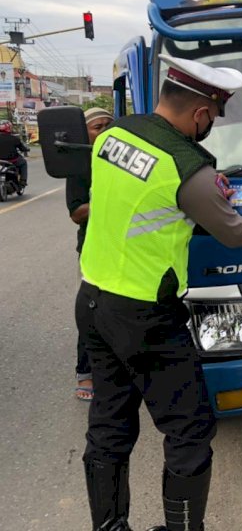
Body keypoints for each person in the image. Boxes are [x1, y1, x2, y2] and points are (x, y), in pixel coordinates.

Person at [76, 54, 242, 531]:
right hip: (147, 317)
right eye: (213, 116)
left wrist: (204, 197)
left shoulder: (114, 136)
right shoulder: (187, 167)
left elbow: (139, 199)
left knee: (109, 426)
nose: (211, 124)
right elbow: (236, 233)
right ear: (199, 112)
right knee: (188, 431)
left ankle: (109, 527)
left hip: (92, 301)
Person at [66, 107, 114, 401]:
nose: (105, 132)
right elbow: (76, 212)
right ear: (85, 134)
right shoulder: (80, 165)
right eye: (98, 127)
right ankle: (86, 373)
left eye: (109, 125)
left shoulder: (123, 163)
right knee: (92, 309)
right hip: (94, 246)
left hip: (125, 246)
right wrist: (109, 202)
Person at [0, 119, 29, 186]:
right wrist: (26, 149)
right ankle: (23, 181)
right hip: (12, 161)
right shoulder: (14, 138)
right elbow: (22, 148)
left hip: (1, 161)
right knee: (23, 163)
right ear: (9, 128)